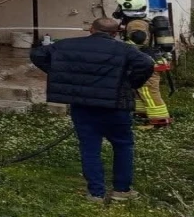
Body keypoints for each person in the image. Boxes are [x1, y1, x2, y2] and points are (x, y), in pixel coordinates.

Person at [29, 17, 156, 203]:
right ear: (116, 33)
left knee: (90, 148)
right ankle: (121, 190)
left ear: (91, 29)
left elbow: (38, 54)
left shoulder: (66, 45)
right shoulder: (126, 50)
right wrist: (131, 82)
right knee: (123, 145)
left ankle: (96, 193)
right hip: (116, 107)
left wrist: (61, 74)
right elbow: (147, 63)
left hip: (83, 105)